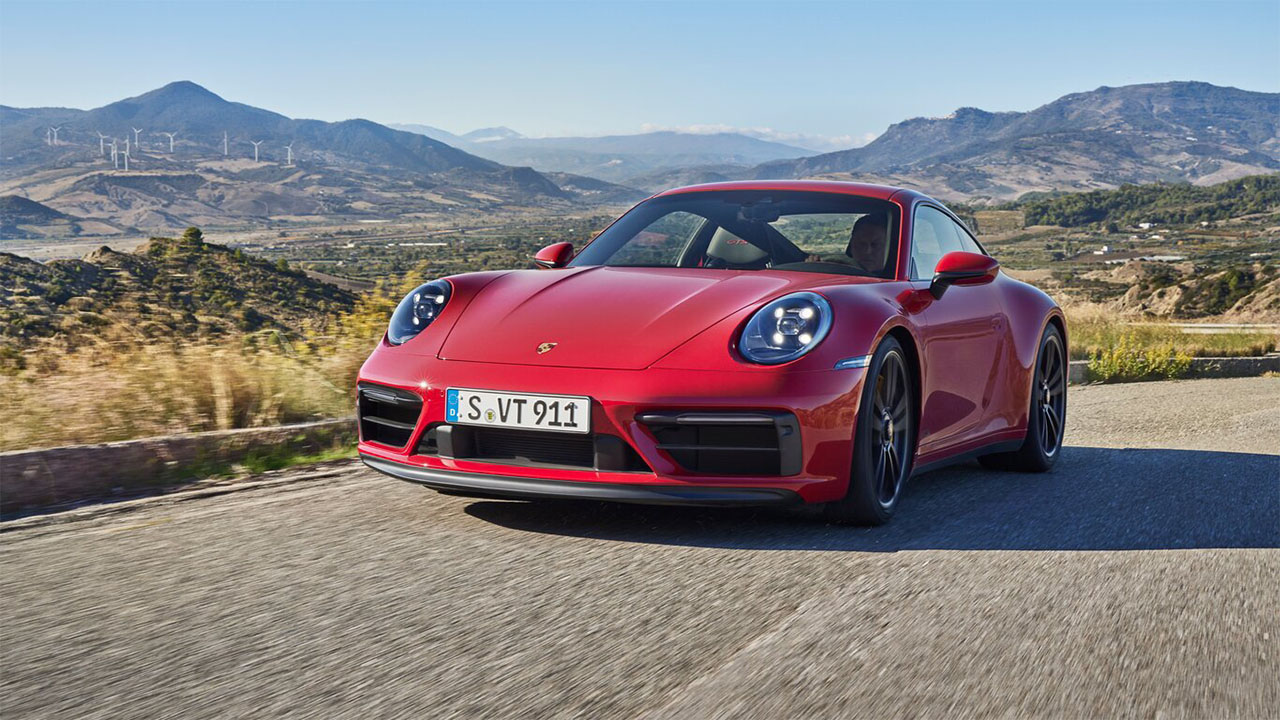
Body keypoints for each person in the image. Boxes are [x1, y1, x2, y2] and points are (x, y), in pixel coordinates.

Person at [807, 213, 891, 275]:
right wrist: (813, 269)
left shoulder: (896, 279)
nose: (868, 251)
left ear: (890, 248)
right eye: (861, 244)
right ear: (851, 246)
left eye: (876, 245)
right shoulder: (837, 274)